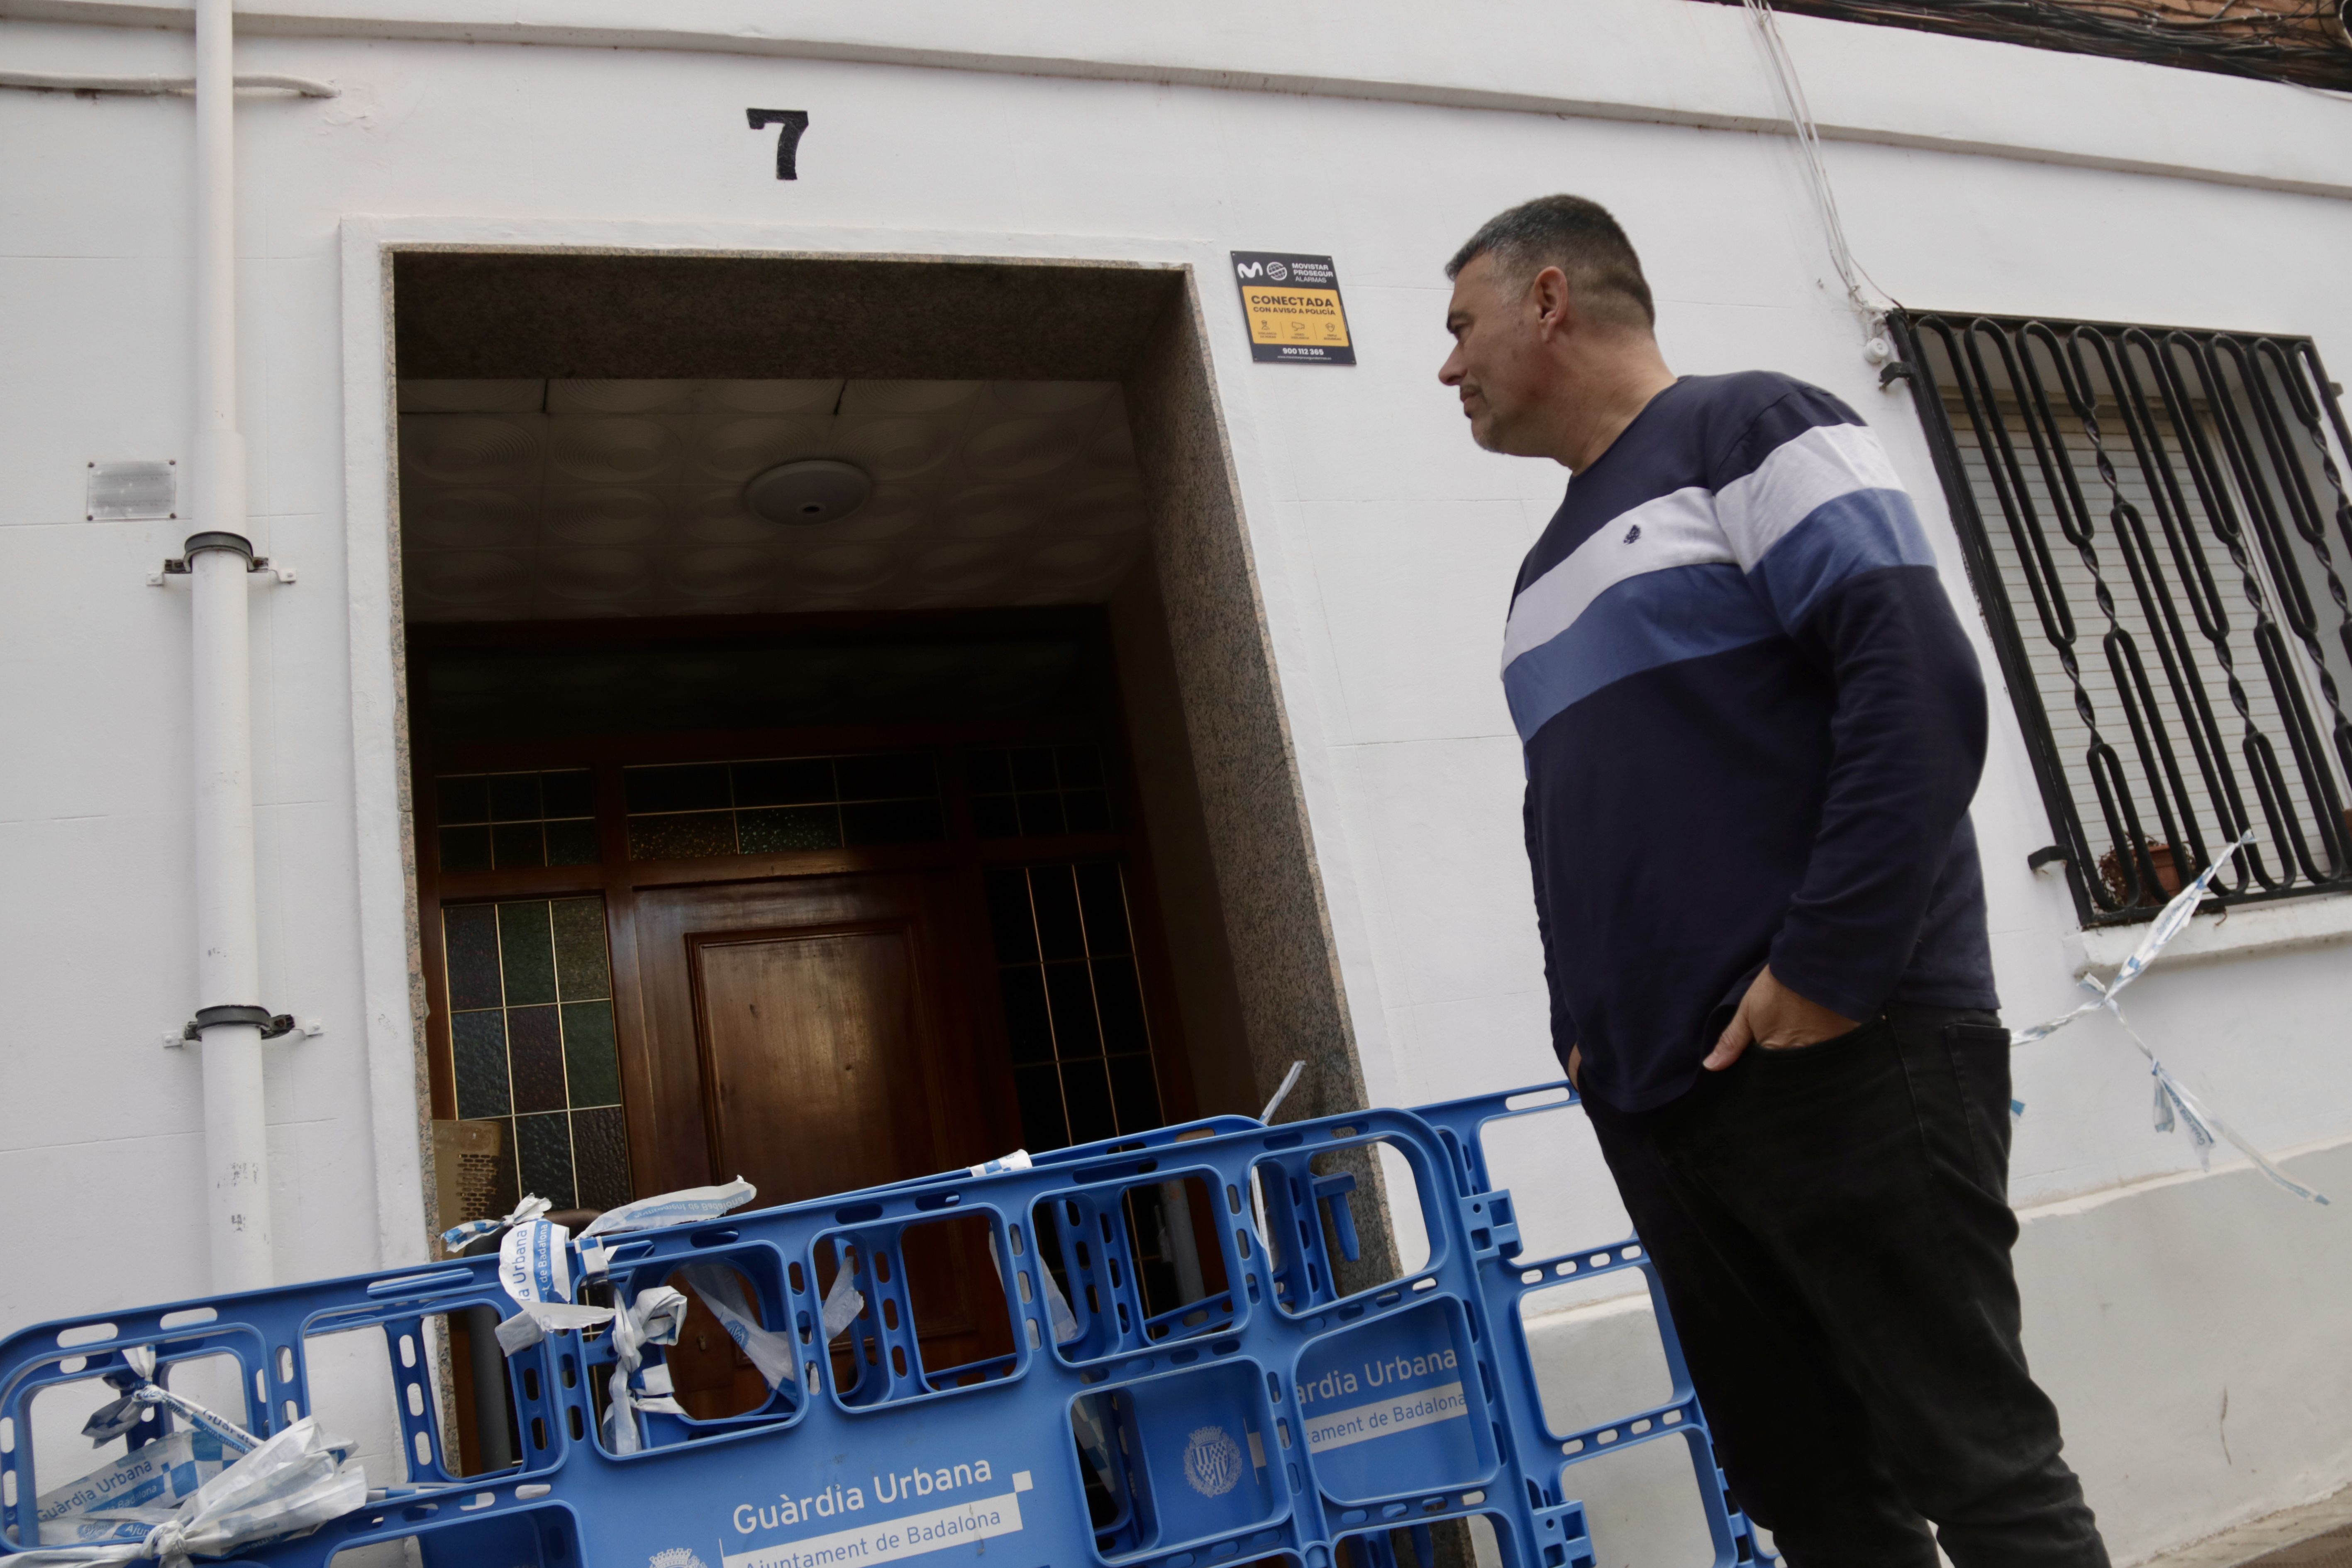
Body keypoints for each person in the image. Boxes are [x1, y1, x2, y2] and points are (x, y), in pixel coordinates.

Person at [1436, 194, 2110, 1568]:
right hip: (1660, 1100)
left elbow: (1914, 682)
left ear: (1549, 298)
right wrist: (1583, 1025)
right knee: (1808, 1497)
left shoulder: (1754, 429)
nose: (1446, 368)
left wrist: (1824, 969)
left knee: (1975, 1470)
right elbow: (1563, 816)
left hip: (1843, 1052)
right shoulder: (1537, 573)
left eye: (1461, 327)